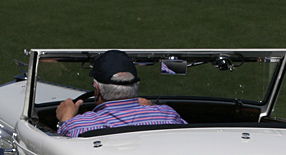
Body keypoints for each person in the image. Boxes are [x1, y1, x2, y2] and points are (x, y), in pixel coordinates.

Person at [56, 51, 187, 137]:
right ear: (137, 85)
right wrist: (151, 110)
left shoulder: (77, 127)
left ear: (97, 90)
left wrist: (65, 120)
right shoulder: (167, 116)